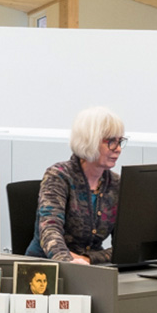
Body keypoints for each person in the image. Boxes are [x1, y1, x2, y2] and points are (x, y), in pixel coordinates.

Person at [27, 107, 124, 264]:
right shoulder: (59, 176)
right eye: (111, 142)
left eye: (120, 142)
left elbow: (125, 247)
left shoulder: (116, 184)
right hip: (48, 266)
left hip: (91, 268)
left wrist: (88, 259)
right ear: (90, 141)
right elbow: (50, 231)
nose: (118, 149)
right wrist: (70, 262)